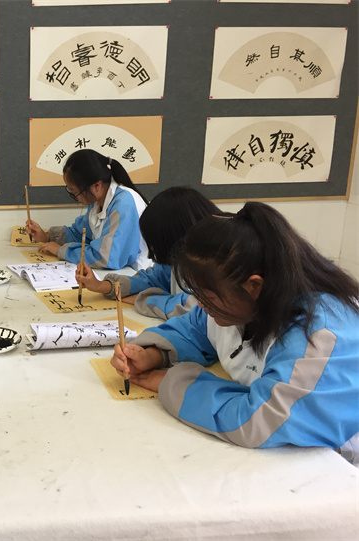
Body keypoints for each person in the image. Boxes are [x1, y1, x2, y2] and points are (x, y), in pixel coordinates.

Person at [110, 202, 359, 462]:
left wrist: (171, 382)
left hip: (336, 465)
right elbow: (195, 328)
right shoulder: (242, 299)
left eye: (208, 299)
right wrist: (152, 354)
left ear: (254, 286)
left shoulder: (318, 334)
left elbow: (257, 420)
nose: (201, 307)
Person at [76, 187, 220, 320]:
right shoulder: (182, 254)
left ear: (175, 238)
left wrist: (144, 299)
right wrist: (103, 285)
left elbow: (193, 307)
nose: (152, 252)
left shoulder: (216, 264)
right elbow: (154, 278)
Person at [25, 149, 151, 271]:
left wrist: (60, 251)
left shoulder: (124, 205)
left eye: (75, 191)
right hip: (119, 272)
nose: (75, 196)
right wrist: (47, 236)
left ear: (96, 186)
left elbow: (106, 257)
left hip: (138, 273)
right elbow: (81, 234)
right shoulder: (97, 201)